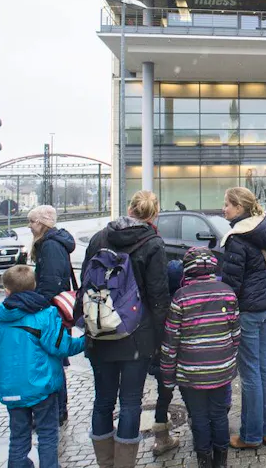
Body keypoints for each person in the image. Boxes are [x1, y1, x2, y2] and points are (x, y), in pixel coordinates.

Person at [80, 190, 170, 468]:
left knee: (103, 400)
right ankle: (124, 465)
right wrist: (160, 339)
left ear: (129, 208)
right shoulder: (153, 243)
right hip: (136, 336)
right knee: (130, 402)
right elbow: (158, 297)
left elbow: (84, 283)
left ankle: (104, 462)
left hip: (100, 331)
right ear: (154, 214)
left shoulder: (99, 238)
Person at [0, 265, 85, 468]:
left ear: (6, 290)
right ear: (34, 286)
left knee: (18, 437)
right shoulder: (45, 314)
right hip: (41, 386)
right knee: (47, 434)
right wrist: (87, 341)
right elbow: (62, 347)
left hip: (12, 389)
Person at [161, 247, 238, 468]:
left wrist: (168, 377)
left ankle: (204, 460)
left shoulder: (181, 297)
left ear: (188, 271)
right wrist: (227, 359)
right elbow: (236, 334)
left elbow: (170, 341)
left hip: (191, 372)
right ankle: (221, 461)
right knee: (219, 414)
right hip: (221, 370)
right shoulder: (227, 292)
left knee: (200, 417)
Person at [219, 187, 266, 450]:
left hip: (249, 311)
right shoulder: (265, 230)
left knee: (251, 373)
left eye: (228, 205)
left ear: (240, 208)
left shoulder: (237, 238)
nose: (224, 209)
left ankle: (251, 436)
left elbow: (232, 285)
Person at [28, 204, 77, 425]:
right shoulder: (53, 243)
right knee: (54, 360)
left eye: (32, 221)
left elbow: (51, 283)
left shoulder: (49, 246)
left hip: (52, 313)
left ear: (42, 223)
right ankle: (57, 411)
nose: (29, 226)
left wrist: (37, 304)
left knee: (53, 362)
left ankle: (57, 412)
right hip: (55, 311)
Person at [151, 259, 184, 457]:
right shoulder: (183, 303)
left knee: (164, 396)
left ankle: (161, 437)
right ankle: (200, 430)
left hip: (161, 361)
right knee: (191, 395)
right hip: (184, 361)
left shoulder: (158, 304)